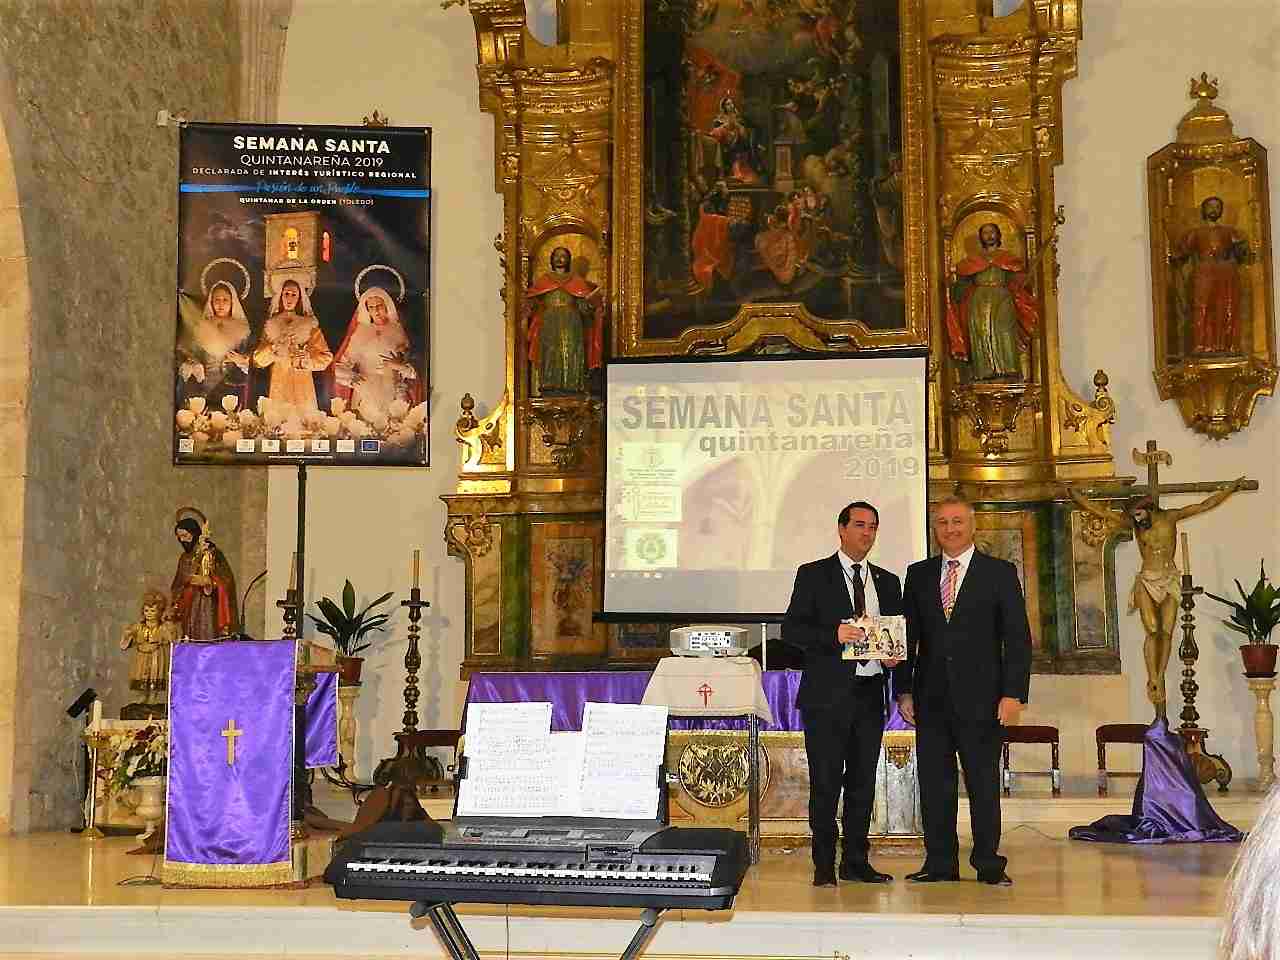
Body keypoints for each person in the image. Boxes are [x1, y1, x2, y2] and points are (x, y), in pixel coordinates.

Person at [893, 495, 1032, 886]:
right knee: (936, 787)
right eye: (942, 523)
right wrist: (904, 691)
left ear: (972, 527)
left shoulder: (1000, 573)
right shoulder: (918, 575)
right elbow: (909, 639)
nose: (949, 529)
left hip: (984, 702)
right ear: (934, 529)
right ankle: (940, 864)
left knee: (984, 786)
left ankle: (989, 864)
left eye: (957, 522)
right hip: (930, 701)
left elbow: (1017, 639)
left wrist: (1012, 693)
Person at [783, 501, 902, 887]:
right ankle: (823, 866)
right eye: (860, 525)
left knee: (862, 784)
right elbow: (792, 631)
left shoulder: (887, 581)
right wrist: (832, 635)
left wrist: (893, 657)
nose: (866, 533)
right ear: (842, 529)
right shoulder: (814, 575)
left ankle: (855, 862)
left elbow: (896, 635)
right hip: (826, 698)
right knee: (826, 782)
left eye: (873, 527)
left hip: (870, 694)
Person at [1067, 478, 1246, 717]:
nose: (1137, 520)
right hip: (1147, 580)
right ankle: (1152, 677)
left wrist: (1230, 489)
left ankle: (1160, 674)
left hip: (1169, 578)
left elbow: (1204, 505)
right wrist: (1077, 496)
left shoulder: (1170, 518)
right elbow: (1100, 511)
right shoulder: (1134, 524)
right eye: (1134, 516)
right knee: (1152, 631)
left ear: (1150, 508)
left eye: (1140, 514)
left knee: (1167, 633)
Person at [944, 223, 1039, 381]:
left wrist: (1023, 279)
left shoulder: (1008, 258)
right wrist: (954, 282)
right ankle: (983, 372)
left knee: (1005, 330)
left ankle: (1010, 371)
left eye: (992, 232)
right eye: (985, 233)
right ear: (981, 237)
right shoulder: (972, 261)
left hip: (1002, 297)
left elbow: (1018, 281)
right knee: (981, 333)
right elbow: (961, 285)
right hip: (978, 301)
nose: (989, 235)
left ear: (998, 235)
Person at [1171, 195, 1250, 354]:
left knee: (1227, 308)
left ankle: (1229, 346)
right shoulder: (1195, 233)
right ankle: (1201, 346)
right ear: (1204, 210)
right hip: (1204, 272)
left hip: (1226, 273)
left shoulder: (1230, 232)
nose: (1214, 209)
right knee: (1203, 308)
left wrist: (1245, 248)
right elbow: (1181, 253)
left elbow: (1242, 252)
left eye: (1217, 206)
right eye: (1210, 206)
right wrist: (1175, 256)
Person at [523, 247, 604, 395]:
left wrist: (589, 305)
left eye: (563, 256)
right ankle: (549, 385)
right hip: (549, 322)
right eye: (557, 256)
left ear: (568, 260)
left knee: (571, 350)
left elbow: (584, 306)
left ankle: (572, 386)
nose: (560, 259)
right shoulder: (544, 281)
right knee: (549, 352)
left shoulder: (577, 281)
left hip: (571, 321)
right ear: (551, 259)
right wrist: (529, 304)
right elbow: (533, 302)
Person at [333, 286, 420, 417]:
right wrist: (352, 379)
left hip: (394, 393)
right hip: (366, 393)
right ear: (366, 310)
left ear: (387, 305)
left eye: (379, 305)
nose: (376, 310)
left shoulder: (399, 329)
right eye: (371, 307)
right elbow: (340, 367)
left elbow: (414, 371)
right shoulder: (360, 332)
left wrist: (397, 366)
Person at [252, 279, 334, 415]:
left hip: (303, 385)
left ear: (300, 298)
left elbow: (326, 357)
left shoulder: (309, 326)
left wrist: (308, 359)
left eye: (294, 294)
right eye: (286, 294)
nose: (289, 298)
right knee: (278, 425)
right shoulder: (271, 326)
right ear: (280, 296)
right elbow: (258, 360)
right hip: (278, 384)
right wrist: (272, 348)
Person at [176, 280, 253, 410]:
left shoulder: (243, 330)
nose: (221, 304)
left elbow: (253, 359)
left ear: (232, 302)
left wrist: (242, 360)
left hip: (232, 388)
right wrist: (194, 363)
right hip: (202, 388)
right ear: (211, 302)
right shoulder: (201, 327)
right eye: (217, 300)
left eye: (225, 300)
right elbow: (186, 352)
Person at [171, 511, 239, 642]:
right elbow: (177, 584)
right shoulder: (184, 558)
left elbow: (227, 579)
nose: (182, 540)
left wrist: (210, 582)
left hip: (209, 605)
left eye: (185, 536)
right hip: (190, 607)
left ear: (195, 533)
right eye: (179, 537)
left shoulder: (212, 553)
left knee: (208, 639)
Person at [120, 589, 180, 702]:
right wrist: (128, 635)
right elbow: (127, 641)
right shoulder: (138, 627)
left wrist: (169, 630)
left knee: (155, 676)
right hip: (141, 657)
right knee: (141, 677)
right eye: (146, 610)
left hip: (156, 656)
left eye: (152, 611)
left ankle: (152, 698)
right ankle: (142, 698)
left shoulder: (163, 627)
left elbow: (172, 640)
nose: (149, 614)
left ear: (159, 612)